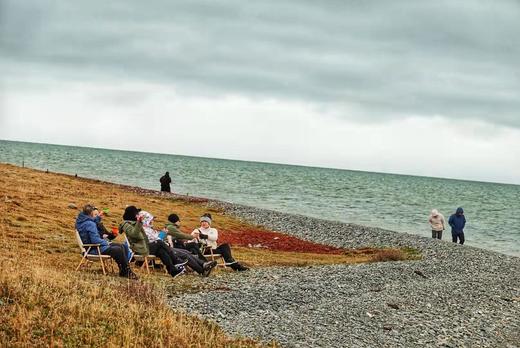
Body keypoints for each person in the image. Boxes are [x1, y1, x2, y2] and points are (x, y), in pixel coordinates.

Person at [139, 211, 217, 277]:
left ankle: (203, 265)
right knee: (186, 254)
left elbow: (158, 239)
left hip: (163, 247)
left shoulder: (150, 228)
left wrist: (162, 234)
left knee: (186, 252)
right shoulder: (147, 229)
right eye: (151, 220)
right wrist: (190, 237)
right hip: (161, 248)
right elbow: (157, 240)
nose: (152, 221)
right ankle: (202, 269)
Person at [119, 206, 185, 278]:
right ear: (132, 214)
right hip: (138, 250)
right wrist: (139, 222)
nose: (138, 215)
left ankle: (173, 271)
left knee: (161, 251)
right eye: (137, 214)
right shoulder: (126, 224)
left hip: (144, 247)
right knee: (159, 242)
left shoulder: (135, 223)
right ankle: (176, 261)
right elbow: (134, 234)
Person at [76, 204, 138, 279]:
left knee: (121, 246)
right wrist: (106, 242)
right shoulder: (90, 224)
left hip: (92, 247)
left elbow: (92, 221)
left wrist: (98, 217)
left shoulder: (82, 221)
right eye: (94, 213)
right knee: (118, 250)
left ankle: (124, 270)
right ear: (91, 213)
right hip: (94, 249)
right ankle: (126, 271)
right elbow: (95, 240)